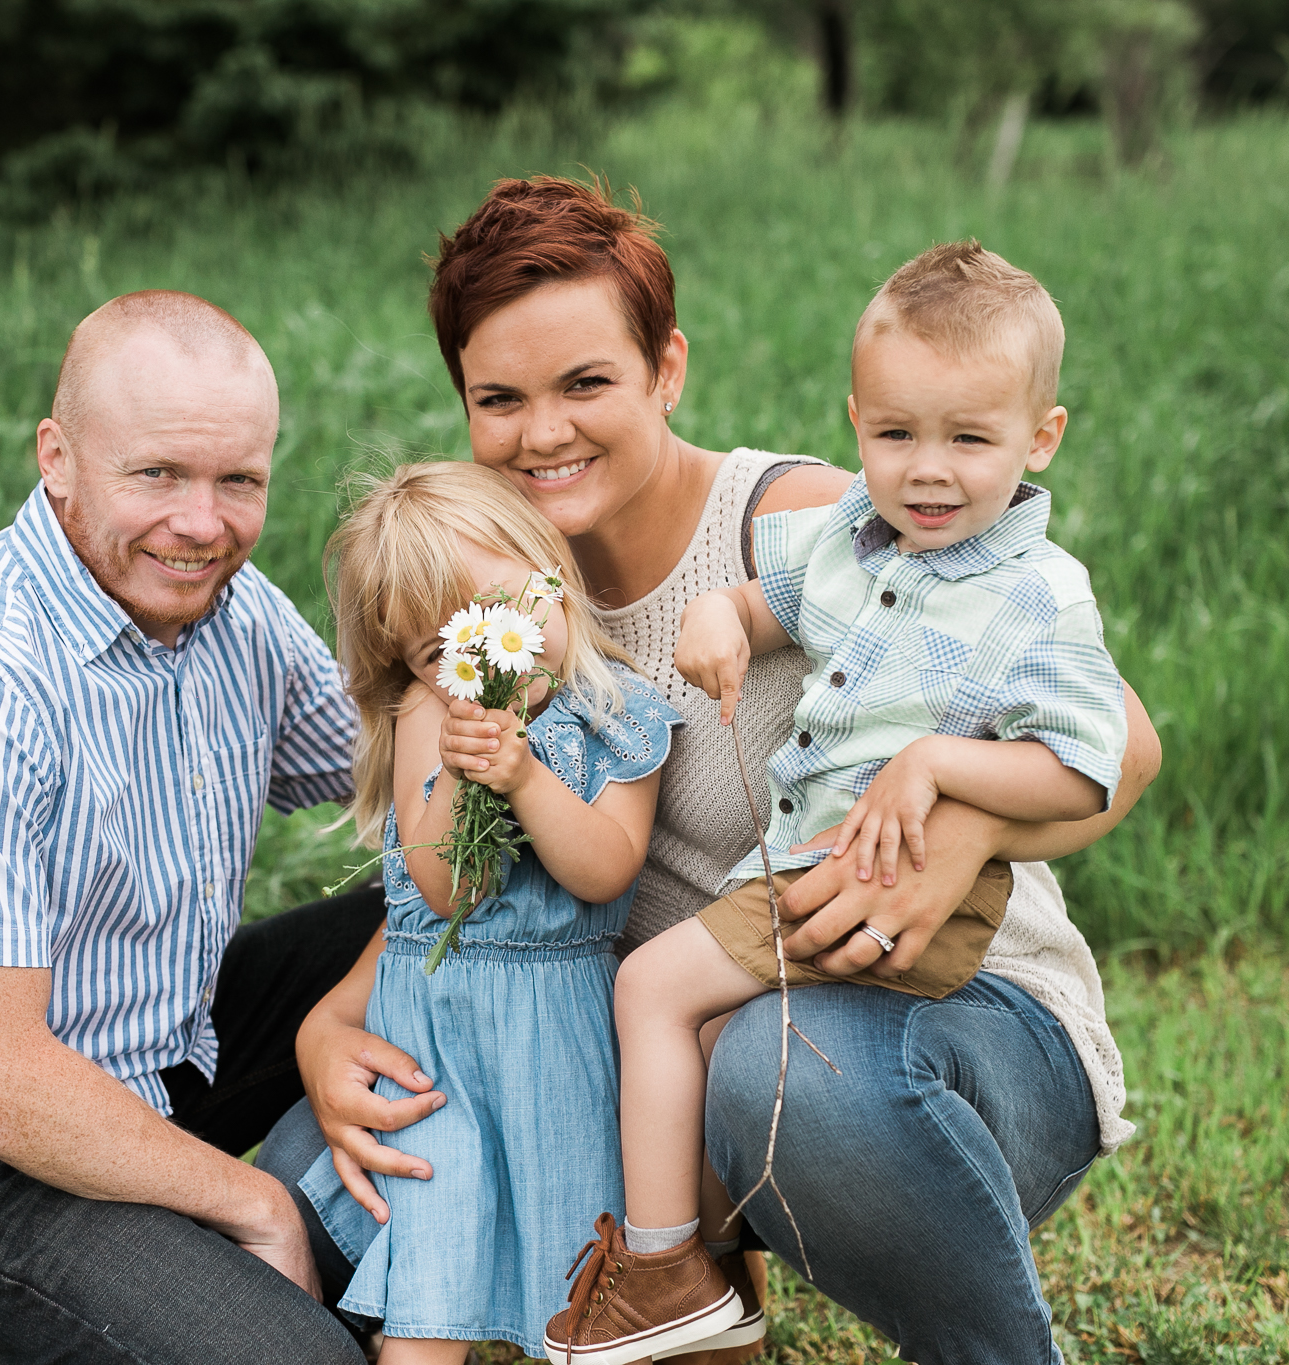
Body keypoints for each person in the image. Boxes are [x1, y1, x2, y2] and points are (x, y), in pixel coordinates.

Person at [262, 178, 1162, 1365]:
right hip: (662, 1029)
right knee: (312, 1194)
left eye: (585, 382)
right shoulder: (488, 589)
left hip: (941, 1025)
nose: (543, 432)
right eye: (499, 398)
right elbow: (477, 864)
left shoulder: (802, 527)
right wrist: (330, 1024)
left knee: (778, 1068)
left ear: (665, 369)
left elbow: (1125, 744)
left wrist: (953, 825)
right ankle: (667, 1292)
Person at [546, 241, 1132, 1363]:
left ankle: (664, 1270)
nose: (927, 471)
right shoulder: (847, 535)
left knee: (655, 991)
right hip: (815, 889)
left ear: (1039, 437)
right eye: (896, 434)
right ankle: (678, 1265)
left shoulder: (1034, 592)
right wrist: (724, 615)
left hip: (890, 899)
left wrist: (941, 772)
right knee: (706, 1030)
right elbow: (770, 596)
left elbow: (1089, 764)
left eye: (969, 439)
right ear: (854, 420)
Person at [0, 290, 381, 1365]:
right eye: (156, 473)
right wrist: (257, 1205)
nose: (201, 523)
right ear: (57, 458)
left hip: (159, 1049)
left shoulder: (225, 603)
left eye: (237, 481)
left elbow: (386, 776)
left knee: (430, 920)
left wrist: (508, 671)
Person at [289, 461, 680, 1361]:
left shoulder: (617, 715)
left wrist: (525, 776)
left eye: (500, 617)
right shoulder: (433, 717)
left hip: (557, 1037)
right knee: (432, 1273)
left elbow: (605, 870)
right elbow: (444, 889)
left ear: (549, 569)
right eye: (440, 650)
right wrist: (467, 771)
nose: (481, 657)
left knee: (583, 1278)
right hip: (440, 1051)